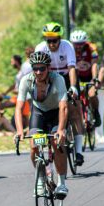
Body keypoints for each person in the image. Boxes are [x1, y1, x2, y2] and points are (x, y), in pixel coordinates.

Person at [15, 51, 69, 197]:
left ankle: (62, 183)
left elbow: (64, 106)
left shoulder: (57, 79)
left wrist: (61, 130)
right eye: (35, 68)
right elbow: (19, 108)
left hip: (56, 113)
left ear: (48, 68)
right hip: (39, 113)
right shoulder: (26, 80)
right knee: (34, 146)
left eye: (42, 69)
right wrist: (20, 130)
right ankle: (40, 179)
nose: (38, 72)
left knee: (56, 143)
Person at [35, 22, 84, 166]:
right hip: (49, 79)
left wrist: (74, 87)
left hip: (67, 78)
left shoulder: (67, 46)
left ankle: (79, 150)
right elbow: (38, 71)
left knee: (74, 111)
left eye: (54, 40)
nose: (51, 44)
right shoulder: (41, 48)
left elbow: (72, 68)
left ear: (60, 38)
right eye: (48, 40)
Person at [70, 30, 101, 127]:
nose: (78, 46)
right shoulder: (70, 49)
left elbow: (94, 64)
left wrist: (95, 79)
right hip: (77, 76)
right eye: (76, 44)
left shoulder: (91, 48)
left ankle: (96, 112)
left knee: (91, 95)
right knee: (76, 97)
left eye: (81, 44)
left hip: (89, 75)